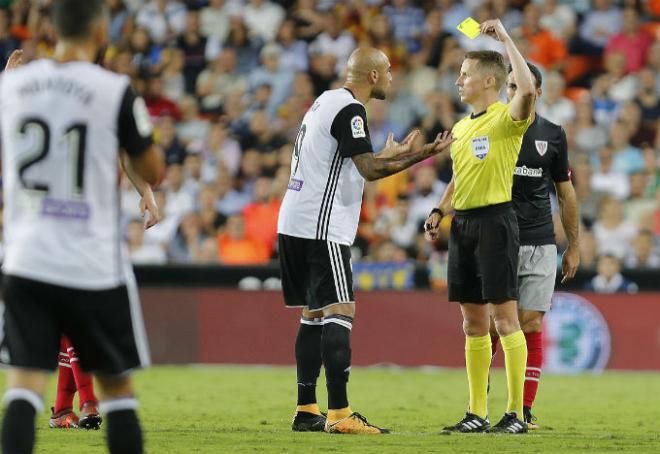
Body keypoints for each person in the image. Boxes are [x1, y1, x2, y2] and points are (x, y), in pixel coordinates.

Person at [0, 1, 162, 453]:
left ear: (50, 30)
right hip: (91, 261)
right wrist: (147, 178)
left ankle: (62, 407)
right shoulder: (114, 91)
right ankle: (84, 406)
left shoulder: (15, 86)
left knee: (21, 390)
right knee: (119, 396)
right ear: (99, 31)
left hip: (26, 258)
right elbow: (152, 164)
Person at [278, 47, 454, 434]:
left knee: (313, 313)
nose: (392, 77)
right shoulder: (351, 110)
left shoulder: (326, 100)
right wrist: (422, 154)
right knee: (341, 309)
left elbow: (353, 162)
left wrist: (387, 154)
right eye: (388, 70)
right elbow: (369, 169)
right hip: (321, 227)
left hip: (294, 219)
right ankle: (340, 414)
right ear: (372, 76)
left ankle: (307, 408)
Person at [424, 19, 535, 434]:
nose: (459, 80)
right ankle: (476, 413)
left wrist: (505, 38)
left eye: (465, 74)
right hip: (465, 225)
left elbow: (525, 88)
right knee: (472, 322)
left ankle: (516, 414)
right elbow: (459, 179)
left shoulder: (507, 119)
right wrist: (440, 210)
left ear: (490, 80)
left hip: (495, 222)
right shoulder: (462, 127)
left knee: (506, 318)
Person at [493, 62, 580, 428]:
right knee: (485, 325)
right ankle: (477, 411)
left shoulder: (554, 135)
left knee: (529, 323)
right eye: (510, 86)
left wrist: (574, 244)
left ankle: (523, 411)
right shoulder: (489, 127)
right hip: (494, 240)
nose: (515, 92)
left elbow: (565, 192)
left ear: (537, 92)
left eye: (522, 87)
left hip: (540, 241)